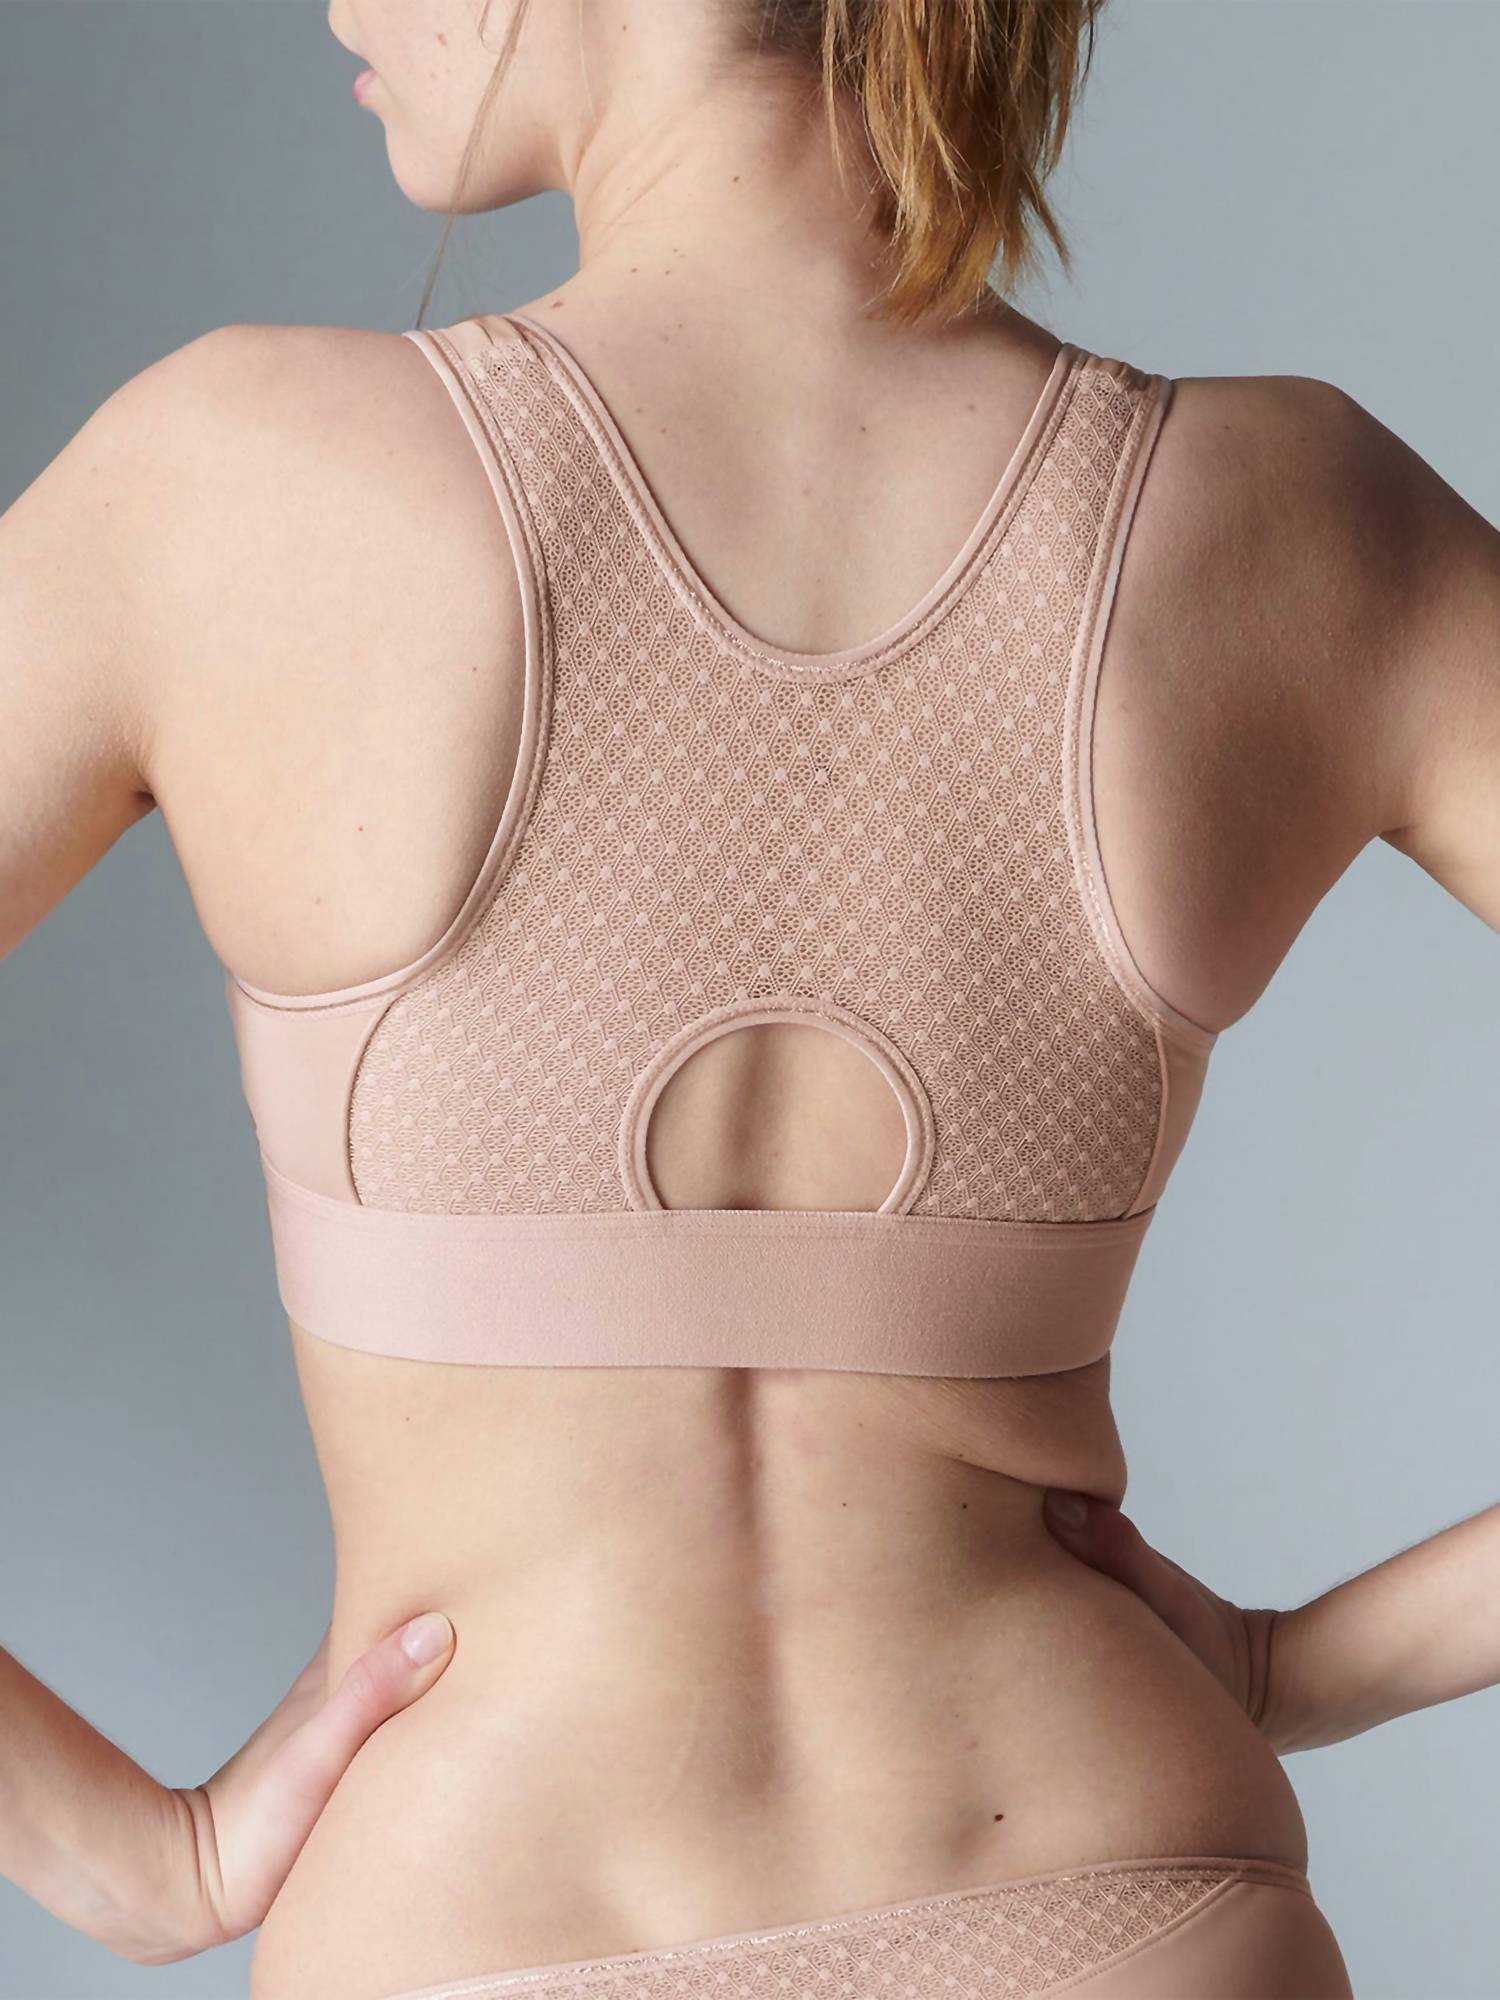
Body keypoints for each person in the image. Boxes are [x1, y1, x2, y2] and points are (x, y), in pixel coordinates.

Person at [2, 1, 1497, 1994]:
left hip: (477, 1923)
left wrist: (133, 1856)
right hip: (1122, 1890)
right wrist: (1296, 1669)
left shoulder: (222, 480)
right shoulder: (1294, 518)